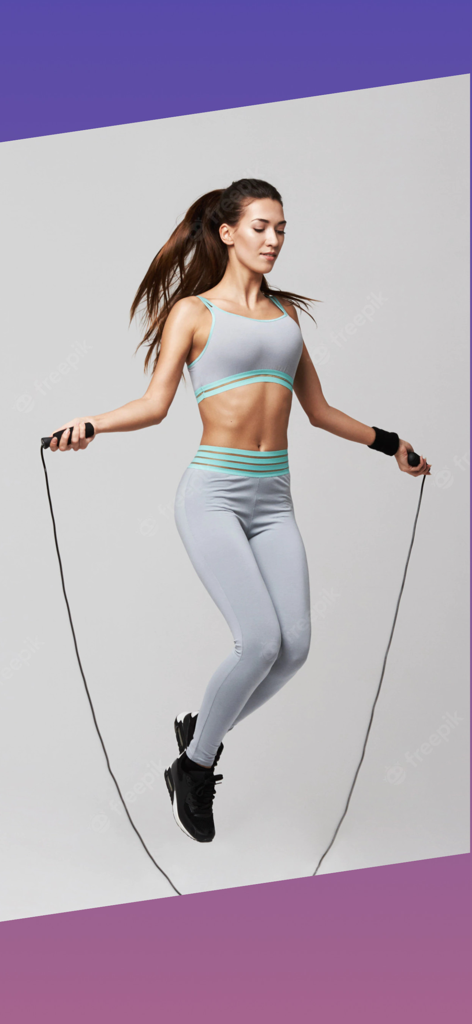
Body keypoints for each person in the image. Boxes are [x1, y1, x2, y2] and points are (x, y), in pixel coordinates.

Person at [48, 177, 431, 845]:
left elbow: (318, 412)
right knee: (257, 641)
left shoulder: (286, 317)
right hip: (214, 495)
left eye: (281, 228)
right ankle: (195, 766)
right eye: (260, 227)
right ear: (227, 233)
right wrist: (93, 424)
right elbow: (154, 404)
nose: (274, 239)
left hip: (273, 498)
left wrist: (389, 444)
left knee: (295, 647)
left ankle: (197, 738)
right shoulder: (193, 313)